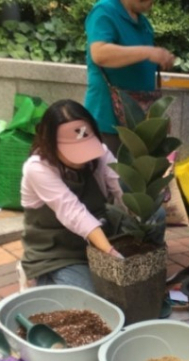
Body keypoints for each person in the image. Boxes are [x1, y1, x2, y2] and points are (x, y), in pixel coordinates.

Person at [20, 99, 131, 292]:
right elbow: (73, 212)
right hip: (57, 251)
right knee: (90, 298)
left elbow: (120, 185)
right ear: (50, 142)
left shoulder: (99, 152)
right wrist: (112, 254)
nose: (84, 157)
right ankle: (39, 277)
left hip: (97, 237)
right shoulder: (37, 168)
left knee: (157, 217)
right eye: (73, 151)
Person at [84, 0, 175, 155]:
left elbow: (141, 77)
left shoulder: (143, 23)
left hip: (138, 127)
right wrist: (148, 52)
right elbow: (100, 54)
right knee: (109, 177)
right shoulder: (104, 11)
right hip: (108, 124)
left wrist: (157, 118)